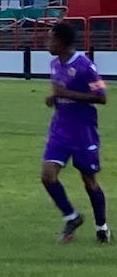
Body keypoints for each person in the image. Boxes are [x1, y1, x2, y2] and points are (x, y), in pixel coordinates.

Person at [40, 22, 111, 243]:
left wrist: (66, 93)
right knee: (47, 176)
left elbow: (102, 97)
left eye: (51, 39)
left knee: (89, 181)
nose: (47, 43)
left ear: (62, 42)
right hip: (59, 129)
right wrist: (54, 97)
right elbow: (60, 92)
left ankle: (102, 228)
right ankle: (72, 217)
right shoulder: (54, 64)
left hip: (83, 131)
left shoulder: (85, 66)